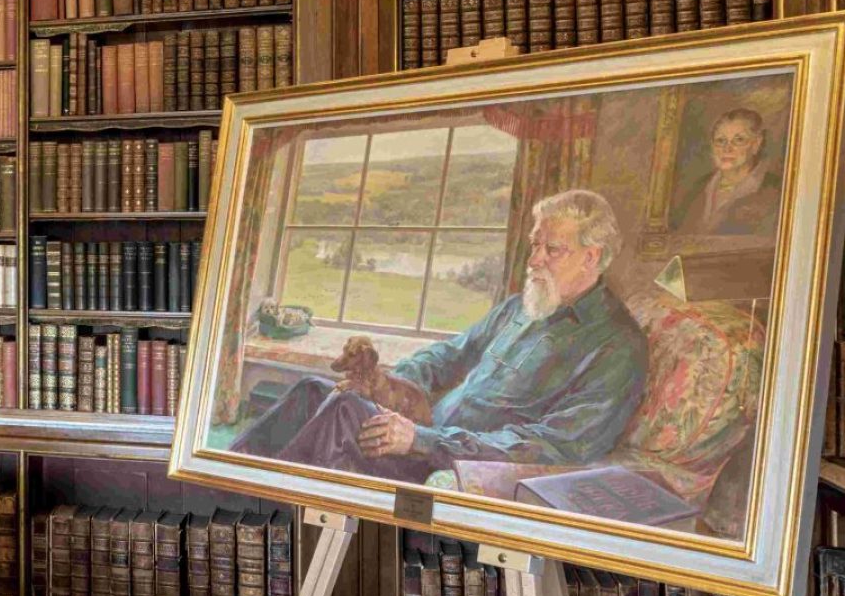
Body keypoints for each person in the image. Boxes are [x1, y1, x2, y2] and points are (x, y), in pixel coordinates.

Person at [229, 188, 651, 484]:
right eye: (534, 245)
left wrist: (422, 439)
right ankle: (227, 484)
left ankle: (263, 518)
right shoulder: (521, 307)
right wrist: (384, 384)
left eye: (551, 250)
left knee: (342, 412)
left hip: (449, 465)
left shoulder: (616, 346)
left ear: (591, 257)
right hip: (424, 435)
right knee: (310, 391)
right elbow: (448, 356)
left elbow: (551, 447)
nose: (534, 260)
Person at [674, 106, 781, 237]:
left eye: (739, 140)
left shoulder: (775, 190)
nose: (727, 148)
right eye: (720, 140)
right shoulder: (696, 189)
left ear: (756, 144)